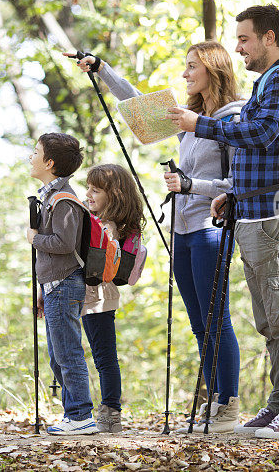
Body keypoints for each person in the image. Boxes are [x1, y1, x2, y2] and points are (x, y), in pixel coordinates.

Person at [65, 41, 244, 433]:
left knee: (216, 318)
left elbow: (236, 185)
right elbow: (138, 104)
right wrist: (101, 69)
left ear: (213, 70)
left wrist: (190, 184)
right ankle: (214, 399)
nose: (185, 74)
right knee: (199, 323)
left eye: (192, 66)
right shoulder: (189, 120)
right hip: (182, 232)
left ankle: (228, 404)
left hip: (211, 231)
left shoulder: (233, 119)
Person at [169, 4, 279, 439]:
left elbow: (262, 133)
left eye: (245, 39)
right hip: (254, 211)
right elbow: (256, 154)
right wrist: (231, 195)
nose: (239, 48)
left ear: (269, 37)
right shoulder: (265, 85)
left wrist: (202, 125)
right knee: (270, 319)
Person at [27, 132, 98, 435]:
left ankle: (81, 415)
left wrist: (34, 239)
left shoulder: (63, 199)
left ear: (50, 162)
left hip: (66, 284)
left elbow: (64, 243)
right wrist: (43, 289)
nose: (30, 157)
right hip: (54, 286)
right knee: (59, 355)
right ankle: (74, 414)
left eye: (35, 152)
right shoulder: (50, 196)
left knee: (68, 353)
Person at [81, 164, 145, 433]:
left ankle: (109, 411)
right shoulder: (107, 223)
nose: (88, 194)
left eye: (96, 190)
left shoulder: (106, 226)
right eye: (88, 188)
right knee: (102, 355)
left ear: (114, 195)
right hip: (97, 298)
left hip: (96, 298)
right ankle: (106, 410)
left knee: (104, 356)